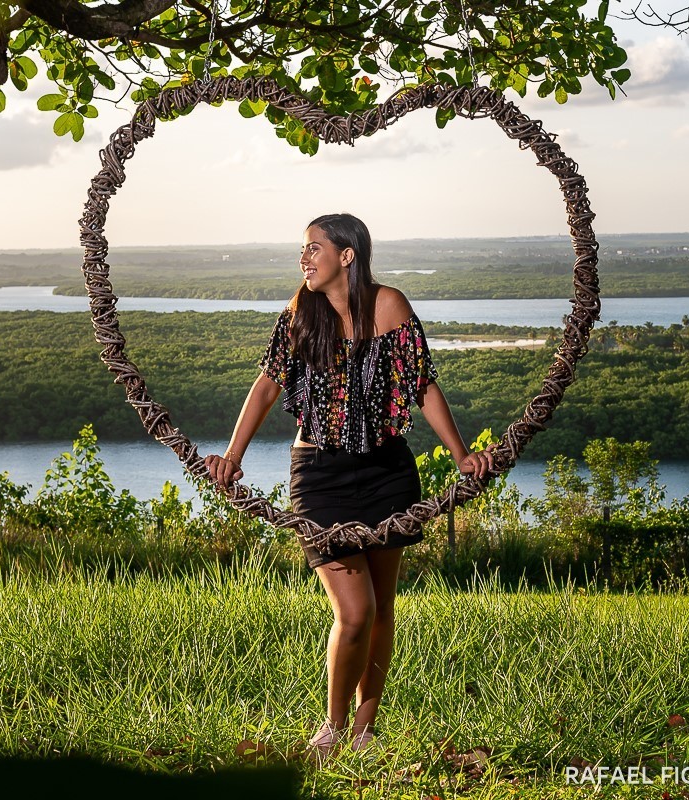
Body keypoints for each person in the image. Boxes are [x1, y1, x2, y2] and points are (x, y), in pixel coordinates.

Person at [204, 212, 495, 761]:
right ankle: (332, 729)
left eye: (314, 248)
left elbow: (421, 385)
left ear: (347, 255)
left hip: (387, 469)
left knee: (383, 609)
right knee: (355, 611)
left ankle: (366, 728)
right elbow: (268, 384)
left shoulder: (389, 306)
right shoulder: (299, 315)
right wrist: (233, 456)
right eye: (302, 249)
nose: (304, 258)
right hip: (319, 474)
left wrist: (462, 456)